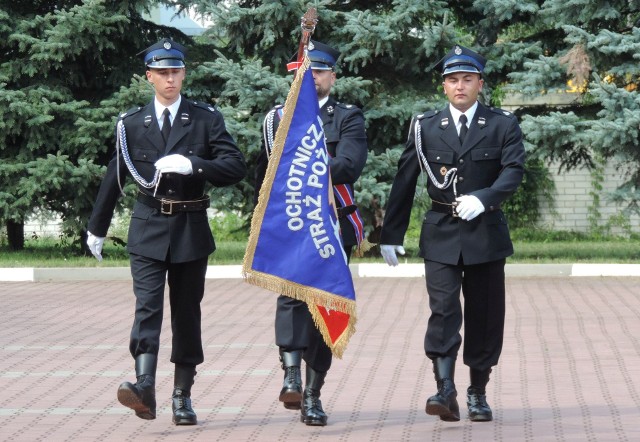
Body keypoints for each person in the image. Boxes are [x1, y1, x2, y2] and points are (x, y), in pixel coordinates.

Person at [86, 38, 247, 425]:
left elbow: (234, 166)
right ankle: (144, 386)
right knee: (147, 308)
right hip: (148, 228)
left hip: (190, 227)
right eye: (162, 73)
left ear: (184, 74)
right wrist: (97, 227)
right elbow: (116, 173)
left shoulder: (206, 118)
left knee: (187, 314)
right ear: (149, 77)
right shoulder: (131, 124)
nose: (170, 79)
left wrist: (194, 164)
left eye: (175, 72)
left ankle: (182, 395)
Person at [379, 44, 525, 423]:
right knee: (443, 311)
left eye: (467, 79)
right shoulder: (425, 126)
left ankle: (478, 391)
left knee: (485, 314)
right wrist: (391, 234)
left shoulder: (502, 124)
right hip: (441, 233)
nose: (460, 86)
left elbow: (512, 171)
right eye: (452, 80)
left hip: (486, 233)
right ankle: (445, 389)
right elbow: (405, 180)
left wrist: (486, 199)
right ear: (443, 86)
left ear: (480, 82)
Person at [254, 40, 368, 426]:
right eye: (307, 70)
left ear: (332, 77)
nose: (313, 77)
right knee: (289, 297)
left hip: (330, 228)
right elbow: (266, 173)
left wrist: (311, 167)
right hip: (291, 224)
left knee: (327, 303)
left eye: (320, 71)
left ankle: (314, 392)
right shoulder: (278, 118)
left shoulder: (347, 117)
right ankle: (290, 375)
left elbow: (351, 164)